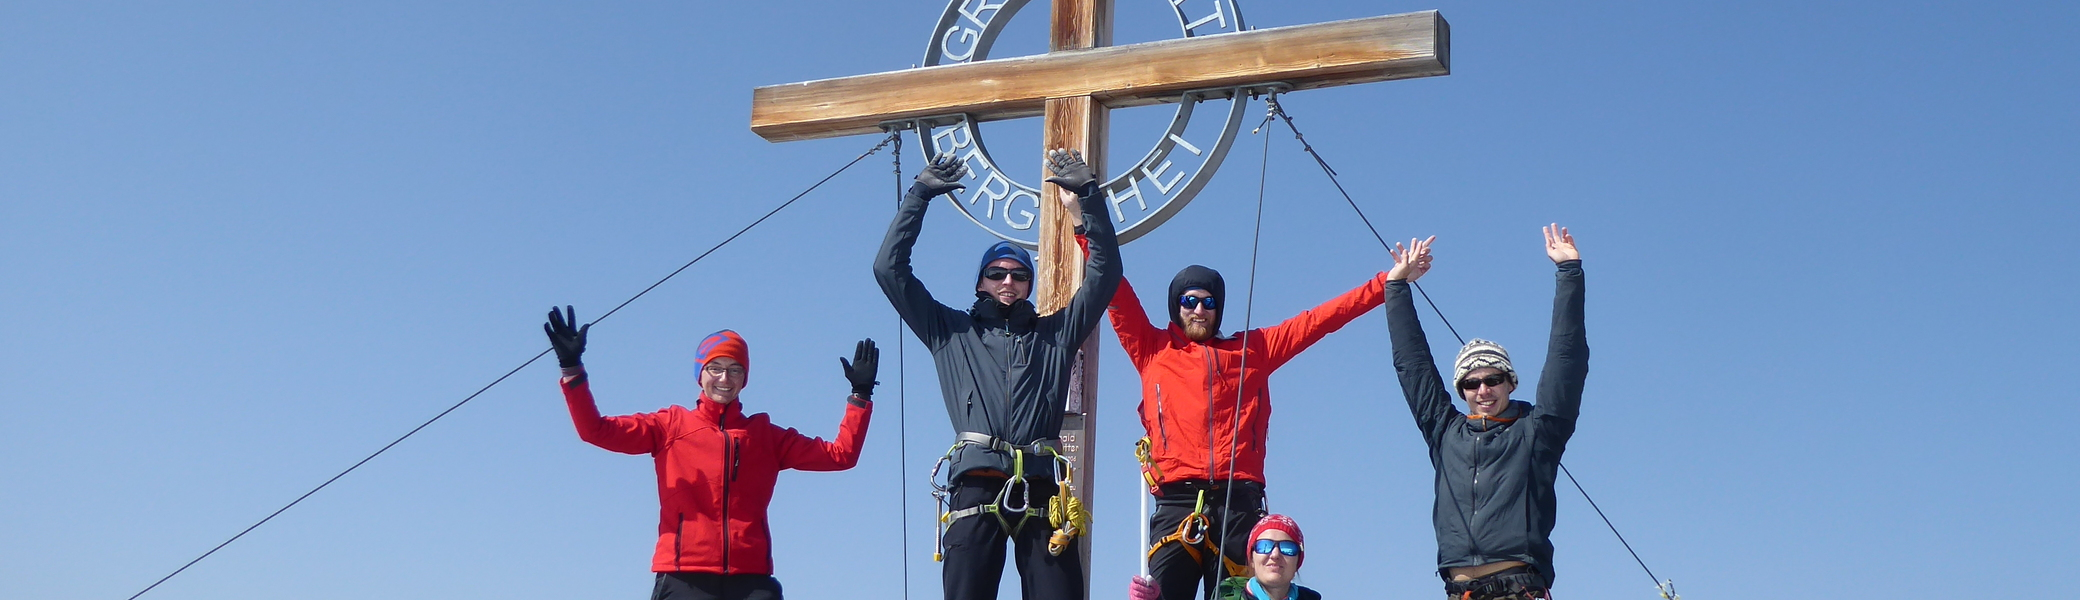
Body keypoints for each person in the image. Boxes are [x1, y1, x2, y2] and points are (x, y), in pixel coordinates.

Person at [874, 149, 1122, 600]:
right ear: (981, 282)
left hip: (1043, 486)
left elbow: (1105, 276)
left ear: (1029, 285)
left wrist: (1089, 197)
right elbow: (889, 270)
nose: (1008, 282)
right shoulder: (950, 331)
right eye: (996, 273)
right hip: (977, 483)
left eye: (1018, 275)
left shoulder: (1056, 334)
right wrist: (920, 195)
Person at [544, 307, 877, 600]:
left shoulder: (764, 436)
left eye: (735, 369)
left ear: (745, 378)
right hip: (685, 576)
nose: (724, 378)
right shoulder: (669, 426)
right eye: (715, 367)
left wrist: (860, 395)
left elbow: (840, 455)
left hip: (750, 579)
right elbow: (595, 431)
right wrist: (571, 368)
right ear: (700, 374)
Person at [1109, 262, 1386, 600]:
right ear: (1175, 305)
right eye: (1189, 301)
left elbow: (1320, 320)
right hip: (1176, 503)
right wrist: (1084, 223)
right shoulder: (1151, 348)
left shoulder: (1253, 350)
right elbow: (1113, 285)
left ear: (1219, 309)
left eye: (1209, 303)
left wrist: (1388, 282)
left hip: (1238, 503)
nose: (1199, 310)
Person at [1384, 226, 1587, 600]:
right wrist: (1397, 287)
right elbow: (1412, 367)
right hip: (1459, 591)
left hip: (1519, 586)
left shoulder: (1538, 431)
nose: (1483, 390)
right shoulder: (1445, 433)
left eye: (1493, 378)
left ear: (1511, 382)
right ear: (1460, 392)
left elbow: (1567, 360)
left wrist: (1569, 273)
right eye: (1471, 383)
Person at [1129, 514, 1321, 600]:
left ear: (1298, 561)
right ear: (1251, 558)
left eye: (1287, 548)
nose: (1275, 554)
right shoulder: (1227, 597)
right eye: (1264, 546)